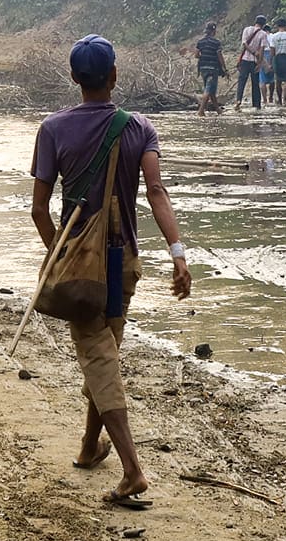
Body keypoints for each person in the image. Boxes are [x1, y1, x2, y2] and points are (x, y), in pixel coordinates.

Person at [30, 34, 190, 510]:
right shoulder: (139, 127)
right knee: (103, 352)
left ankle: (132, 471)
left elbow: (39, 210)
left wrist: (61, 255)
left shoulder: (53, 129)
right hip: (125, 264)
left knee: (99, 359)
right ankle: (87, 446)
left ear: (75, 79)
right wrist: (178, 254)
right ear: (114, 76)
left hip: (83, 269)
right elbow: (156, 191)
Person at [190, 21, 227, 115]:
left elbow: (196, 55)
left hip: (203, 68)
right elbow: (220, 56)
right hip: (213, 69)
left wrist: (203, 56)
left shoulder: (200, 42)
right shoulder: (216, 42)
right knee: (208, 89)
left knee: (211, 90)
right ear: (214, 31)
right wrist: (224, 68)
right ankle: (201, 111)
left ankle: (218, 110)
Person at [235, 14, 269, 111]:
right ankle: (256, 105)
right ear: (263, 24)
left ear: (255, 21)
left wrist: (250, 51)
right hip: (254, 62)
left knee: (242, 81)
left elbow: (244, 44)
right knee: (255, 83)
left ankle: (238, 101)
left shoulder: (247, 29)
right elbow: (262, 49)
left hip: (245, 60)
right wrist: (259, 63)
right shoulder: (263, 34)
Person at [268, 17, 286, 107]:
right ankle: (285, 100)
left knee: (278, 80)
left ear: (277, 26)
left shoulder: (274, 36)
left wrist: (271, 62)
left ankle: (280, 100)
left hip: (277, 58)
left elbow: (272, 51)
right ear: (285, 25)